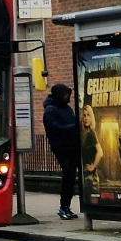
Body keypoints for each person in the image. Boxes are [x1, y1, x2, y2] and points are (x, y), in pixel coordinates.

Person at [43, 83, 79, 220]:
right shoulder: (50, 110)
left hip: (72, 146)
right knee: (68, 173)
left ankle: (67, 207)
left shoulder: (67, 109)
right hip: (61, 147)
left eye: (68, 94)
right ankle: (63, 207)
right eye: (65, 94)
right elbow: (54, 128)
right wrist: (73, 127)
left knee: (72, 175)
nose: (67, 97)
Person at [80, 104, 103, 201]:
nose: (86, 118)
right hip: (85, 175)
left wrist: (93, 166)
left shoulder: (91, 133)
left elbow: (100, 152)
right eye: (84, 115)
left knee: (93, 201)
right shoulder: (83, 132)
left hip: (91, 176)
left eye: (88, 115)